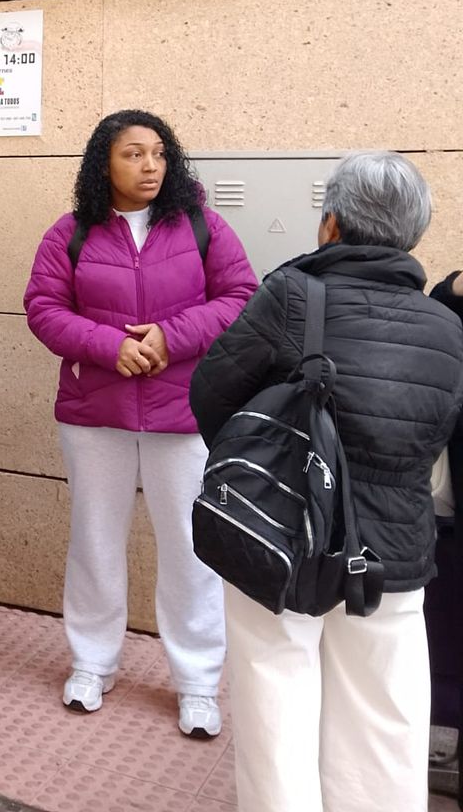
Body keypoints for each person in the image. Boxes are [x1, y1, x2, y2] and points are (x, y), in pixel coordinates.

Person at [190, 151, 463, 810]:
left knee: (275, 699)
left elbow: (211, 392)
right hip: (393, 549)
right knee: (384, 717)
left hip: (285, 534)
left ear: (331, 224)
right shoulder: (448, 326)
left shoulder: (292, 295)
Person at [24, 110, 257, 737]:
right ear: (104, 162)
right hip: (94, 413)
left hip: (182, 414)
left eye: (157, 153)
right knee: (95, 539)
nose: (149, 165)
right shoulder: (70, 233)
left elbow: (239, 296)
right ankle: (92, 663)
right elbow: (43, 309)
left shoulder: (203, 226)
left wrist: (169, 338)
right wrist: (108, 346)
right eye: (133, 154)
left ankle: (197, 681)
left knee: (189, 547)